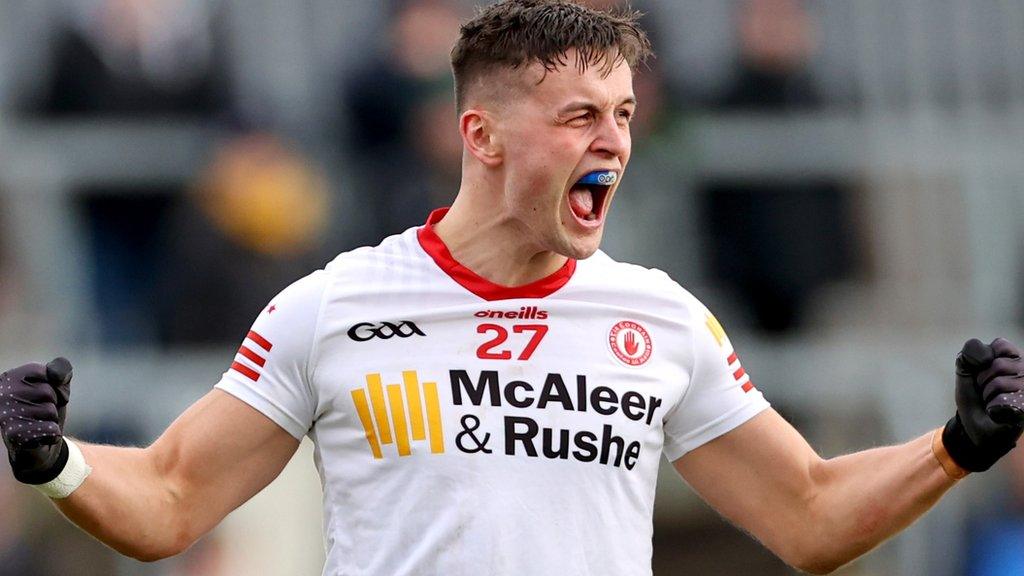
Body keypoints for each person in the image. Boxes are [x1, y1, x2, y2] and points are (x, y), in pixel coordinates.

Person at [2, 2, 1024, 575]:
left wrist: (955, 448)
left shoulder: (659, 318)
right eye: (581, 115)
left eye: (623, 114)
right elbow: (173, 498)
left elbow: (809, 513)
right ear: (480, 138)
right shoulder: (336, 306)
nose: (615, 141)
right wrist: (56, 461)